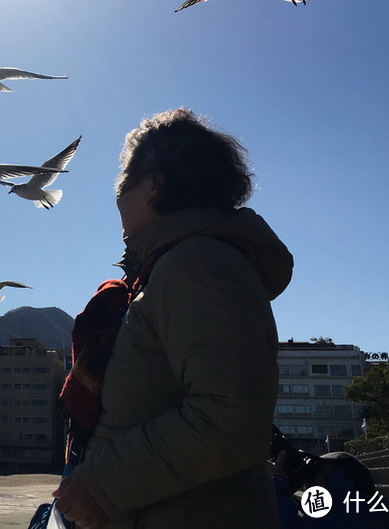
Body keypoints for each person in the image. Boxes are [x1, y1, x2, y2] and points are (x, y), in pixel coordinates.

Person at [53, 108, 294, 528]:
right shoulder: (173, 268)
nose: (115, 194)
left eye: (123, 178)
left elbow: (232, 415)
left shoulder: (198, 263)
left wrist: (105, 486)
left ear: (154, 185)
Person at [272, 450, 389, 528]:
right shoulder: (372, 507)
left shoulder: (356, 513)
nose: (309, 483)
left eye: (317, 470)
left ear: (342, 477)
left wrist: (278, 483)